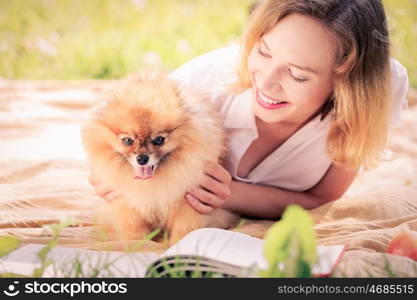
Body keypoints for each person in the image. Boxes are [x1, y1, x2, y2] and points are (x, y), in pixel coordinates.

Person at [89, 0, 409, 219]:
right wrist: (119, 179)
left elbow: (323, 197)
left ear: (346, 83)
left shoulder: (380, 90)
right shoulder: (193, 90)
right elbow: (112, 151)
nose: (266, 85)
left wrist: (230, 194)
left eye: (297, 75)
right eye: (263, 52)